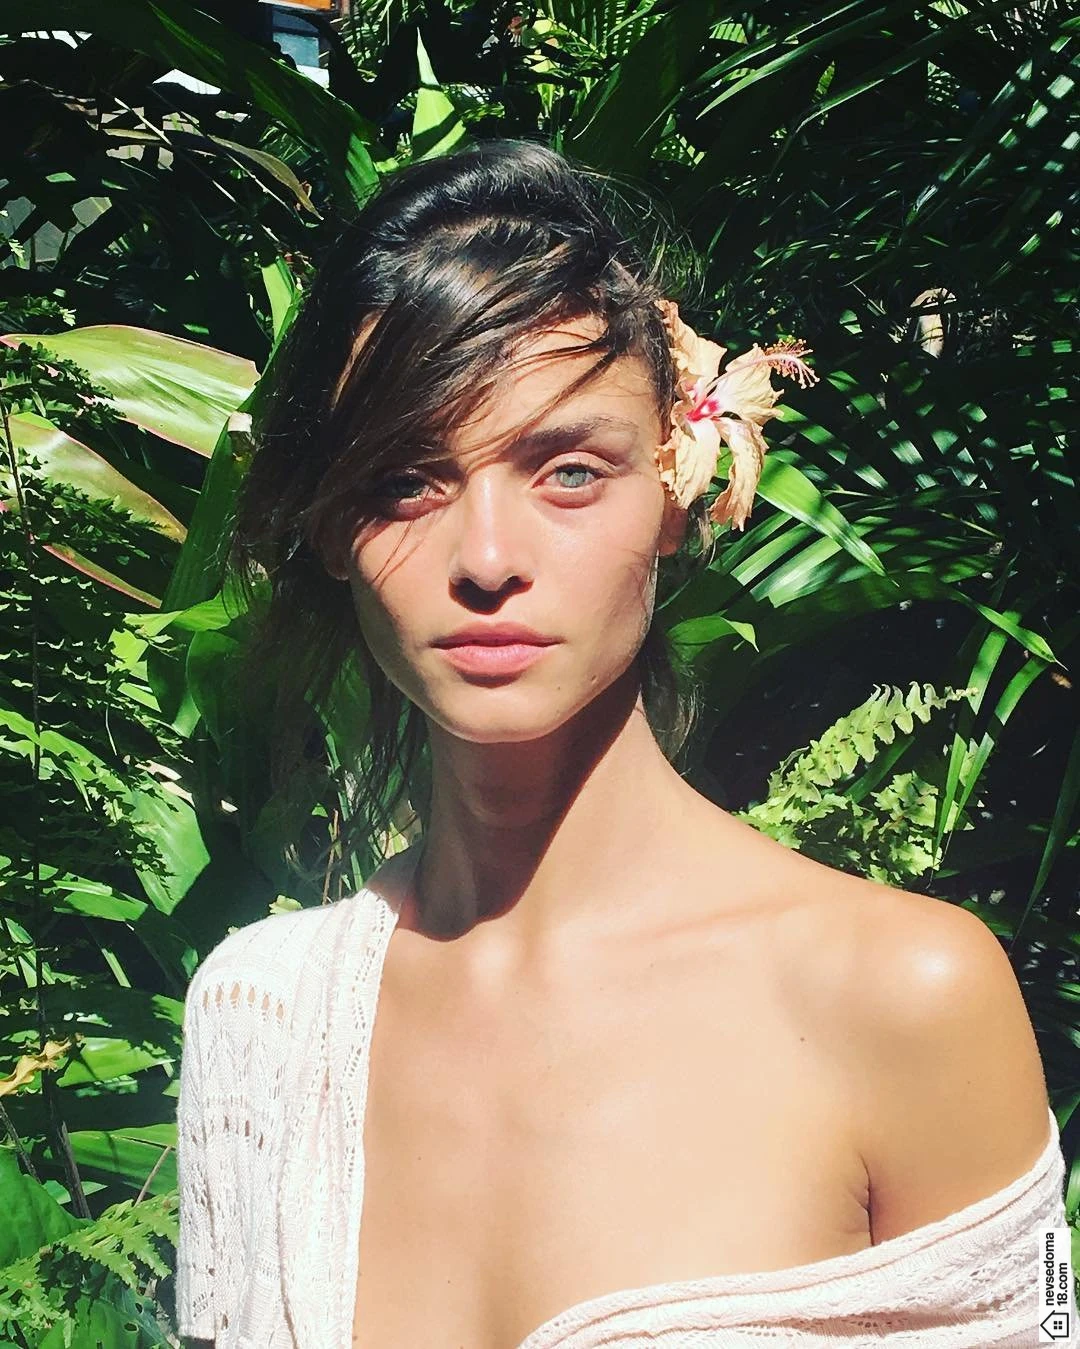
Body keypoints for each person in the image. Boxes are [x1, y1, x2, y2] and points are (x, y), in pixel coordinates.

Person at [175, 139, 1073, 1348]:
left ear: (679, 490)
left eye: (569, 470)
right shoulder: (262, 1020)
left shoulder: (904, 995)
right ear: (332, 528)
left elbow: (1039, 1315)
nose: (487, 557)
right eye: (403, 480)